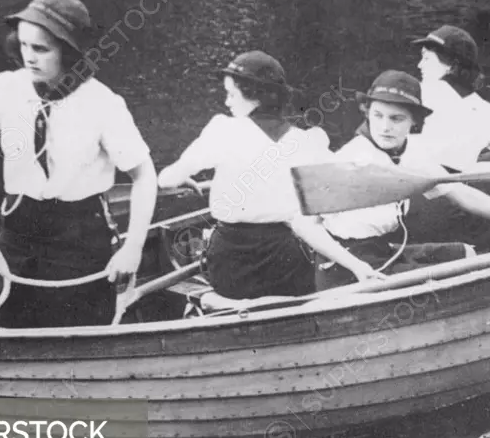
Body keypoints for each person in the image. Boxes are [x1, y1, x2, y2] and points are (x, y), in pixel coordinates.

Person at [0, 0, 158, 327]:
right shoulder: (7, 88)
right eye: (23, 45)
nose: (29, 57)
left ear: (68, 53)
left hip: (78, 237)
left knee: (77, 337)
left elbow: (145, 176)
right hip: (17, 232)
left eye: (40, 49)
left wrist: (133, 247)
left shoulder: (103, 103)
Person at [315, 70, 490, 290]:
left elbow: (460, 193)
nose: (384, 127)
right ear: (367, 113)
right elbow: (304, 224)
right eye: (378, 116)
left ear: (414, 121)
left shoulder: (409, 152)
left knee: (466, 253)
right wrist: (356, 267)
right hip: (346, 267)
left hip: (382, 250)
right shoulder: (351, 157)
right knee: (460, 282)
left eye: (396, 119)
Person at [157, 51, 382, 299]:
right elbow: (303, 224)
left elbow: (167, 180)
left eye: (232, 94)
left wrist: (180, 178)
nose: (227, 102)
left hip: (231, 263)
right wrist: (357, 266)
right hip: (284, 263)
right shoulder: (302, 142)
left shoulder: (223, 129)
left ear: (256, 97)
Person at [413, 25, 490, 171]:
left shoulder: (424, 93)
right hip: (459, 184)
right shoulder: (488, 110)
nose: (420, 65)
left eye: (426, 58)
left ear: (451, 65)